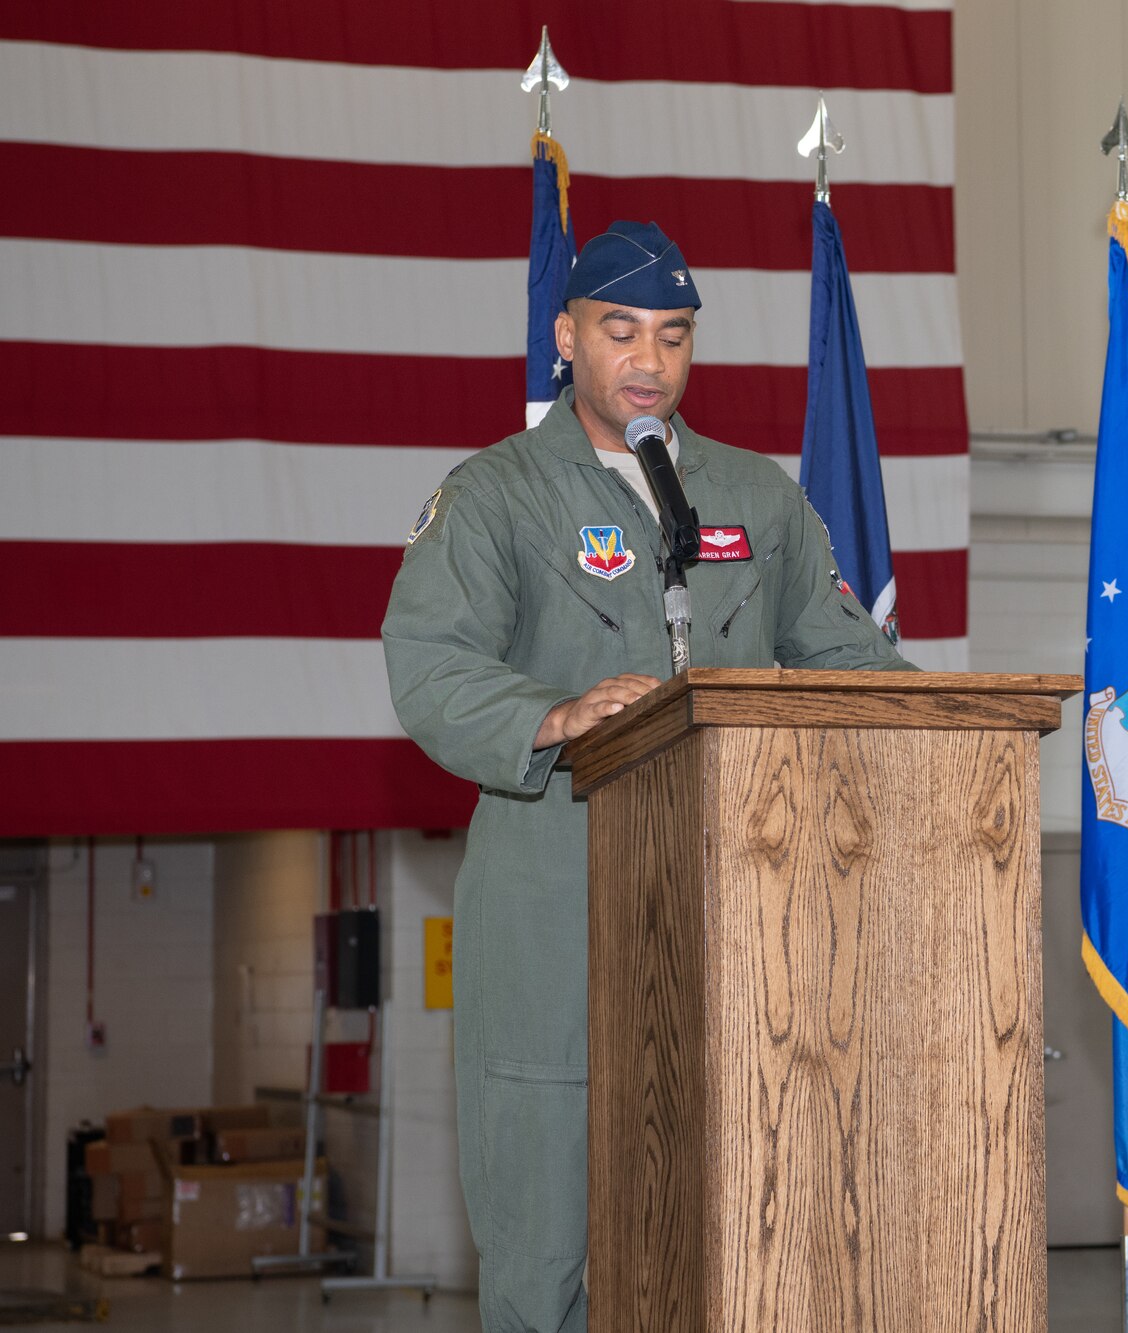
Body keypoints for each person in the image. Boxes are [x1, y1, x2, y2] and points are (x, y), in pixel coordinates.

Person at [381, 220, 913, 1333]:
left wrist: (949, 720)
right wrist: (553, 713)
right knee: (549, 1251)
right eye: (620, 331)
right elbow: (431, 668)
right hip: (553, 924)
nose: (647, 361)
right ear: (566, 337)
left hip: (742, 933)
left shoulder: (753, 496)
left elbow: (846, 655)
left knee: (738, 1237)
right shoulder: (495, 494)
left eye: (672, 337)